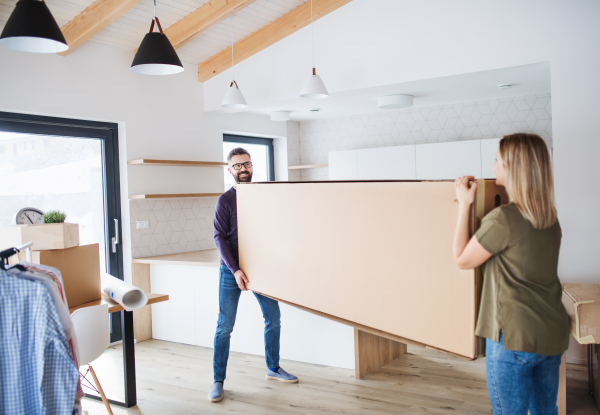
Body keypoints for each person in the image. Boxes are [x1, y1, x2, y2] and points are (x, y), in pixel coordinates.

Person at [453, 133, 570, 415]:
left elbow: (462, 259)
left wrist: (464, 205)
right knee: (545, 411)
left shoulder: (504, 219)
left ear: (513, 167)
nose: (493, 165)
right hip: (551, 334)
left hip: (515, 338)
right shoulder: (550, 218)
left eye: (498, 160)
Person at [208, 147, 299, 403]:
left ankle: (273, 368)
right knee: (224, 326)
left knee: (273, 318)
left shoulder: (262, 195)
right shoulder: (224, 201)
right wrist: (235, 269)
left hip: (261, 268)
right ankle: (217, 381)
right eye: (237, 166)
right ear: (230, 170)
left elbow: (272, 229)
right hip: (231, 270)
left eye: (246, 164)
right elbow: (219, 237)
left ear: (252, 166)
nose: (243, 169)